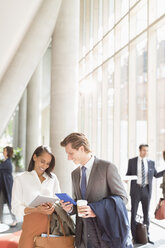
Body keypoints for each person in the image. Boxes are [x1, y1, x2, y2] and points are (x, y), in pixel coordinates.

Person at [60, 132, 128, 248]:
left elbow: (123, 199)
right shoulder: (75, 174)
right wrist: (70, 208)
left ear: (81, 148)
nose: (69, 158)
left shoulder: (107, 167)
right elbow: (78, 201)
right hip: (83, 237)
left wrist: (95, 209)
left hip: (105, 235)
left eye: (71, 153)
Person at [11, 145, 61, 248]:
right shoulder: (20, 179)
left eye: (48, 163)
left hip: (50, 229)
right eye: (42, 161)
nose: (45, 166)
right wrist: (36, 210)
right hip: (30, 229)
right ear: (35, 157)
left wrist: (53, 207)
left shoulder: (53, 178)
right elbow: (15, 208)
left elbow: (58, 201)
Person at [126, 144, 165, 245]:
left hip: (146, 191)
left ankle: (146, 236)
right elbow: (128, 174)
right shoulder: (132, 161)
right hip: (135, 190)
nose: (145, 152)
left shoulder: (151, 162)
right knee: (133, 213)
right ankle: (134, 237)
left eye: (147, 150)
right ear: (139, 150)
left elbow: (156, 175)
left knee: (146, 214)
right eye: (144, 150)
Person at [0, 146, 17, 227]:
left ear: (8, 152)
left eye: (4, 151)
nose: (3, 152)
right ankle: (1, 221)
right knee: (0, 203)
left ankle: (14, 220)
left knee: (10, 203)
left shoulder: (8, 163)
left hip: (7, 186)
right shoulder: (5, 161)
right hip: (3, 186)